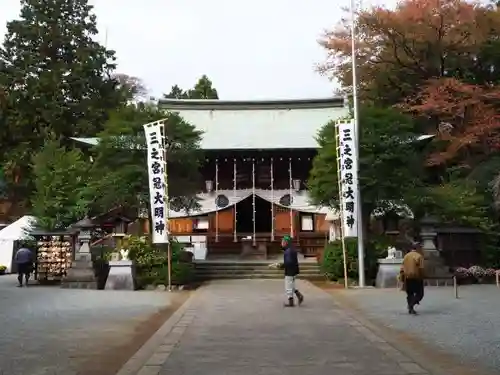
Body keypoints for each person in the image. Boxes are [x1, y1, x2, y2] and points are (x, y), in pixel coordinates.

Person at [400, 242, 425, 314]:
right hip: (417, 277)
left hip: (407, 277)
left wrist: (402, 277)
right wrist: (422, 276)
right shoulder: (419, 256)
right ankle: (411, 305)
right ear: (417, 248)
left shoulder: (406, 256)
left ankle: (411, 307)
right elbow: (421, 268)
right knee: (420, 293)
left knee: (410, 293)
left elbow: (402, 267)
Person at [282, 235, 304, 307]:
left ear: (286, 242)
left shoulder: (288, 251)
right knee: (292, 285)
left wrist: (281, 265)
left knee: (288, 286)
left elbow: (288, 262)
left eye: (283, 241)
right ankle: (299, 296)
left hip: (289, 271)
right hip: (294, 270)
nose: (282, 243)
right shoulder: (292, 249)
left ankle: (291, 301)